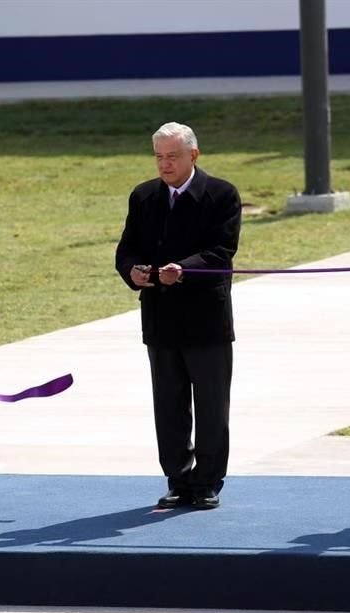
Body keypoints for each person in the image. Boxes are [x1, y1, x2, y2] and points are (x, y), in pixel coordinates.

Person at [115, 122, 241, 510]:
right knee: (168, 407)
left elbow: (222, 251)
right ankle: (178, 479)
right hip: (160, 319)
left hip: (206, 321)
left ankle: (207, 482)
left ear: (193, 155)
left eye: (172, 157)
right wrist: (133, 271)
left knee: (210, 406)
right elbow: (127, 249)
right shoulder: (144, 197)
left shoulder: (221, 194)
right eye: (159, 157)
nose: (165, 165)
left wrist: (184, 269)